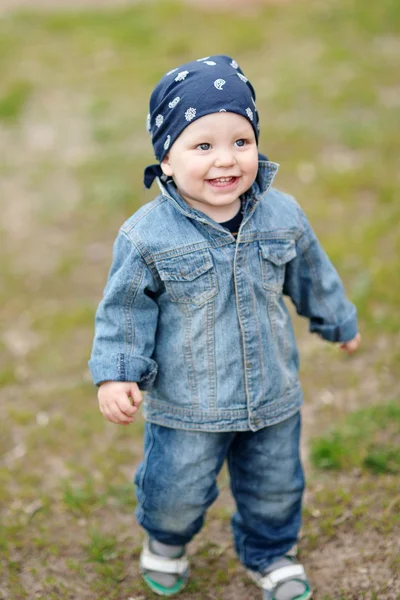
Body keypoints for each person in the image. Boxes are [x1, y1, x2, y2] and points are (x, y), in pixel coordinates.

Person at [89, 55, 361, 600]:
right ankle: (165, 541)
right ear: (166, 159)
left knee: (276, 487)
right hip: (189, 404)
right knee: (176, 490)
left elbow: (312, 274)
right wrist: (118, 374)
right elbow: (124, 311)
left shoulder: (281, 215)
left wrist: (337, 320)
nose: (227, 160)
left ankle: (272, 553)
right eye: (203, 146)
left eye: (241, 141)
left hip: (272, 395)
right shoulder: (147, 237)